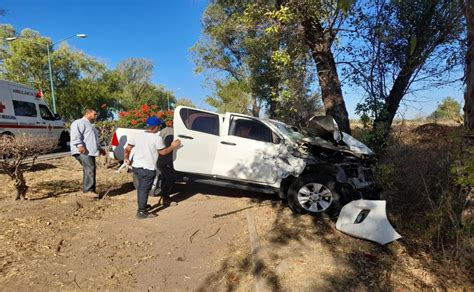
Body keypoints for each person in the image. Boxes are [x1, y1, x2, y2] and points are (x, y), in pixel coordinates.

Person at [124, 117, 181, 219]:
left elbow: (127, 148)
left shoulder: (137, 136)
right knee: (144, 189)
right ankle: (141, 212)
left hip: (136, 167)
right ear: (155, 127)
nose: (159, 128)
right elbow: (163, 152)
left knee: (141, 188)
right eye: (159, 126)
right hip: (148, 168)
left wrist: (126, 159)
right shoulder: (156, 138)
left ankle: (143, 205)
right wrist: (173, 146)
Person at [70, 108, 106, 198]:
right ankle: (88, 191)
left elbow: (93, 140)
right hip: (83, 151)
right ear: (88, 113)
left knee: (90, 169)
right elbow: (75, 135)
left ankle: (91, 191)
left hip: (90, 152)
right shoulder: (79, 122)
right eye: (94, 114)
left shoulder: (91, 125)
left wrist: (100, 148)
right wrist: (80, 145)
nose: (95, 116)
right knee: (90, 168)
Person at [157, 122, 177, 206]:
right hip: (165, 159)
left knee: (165, 178)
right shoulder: (170, 132)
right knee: (170, 177)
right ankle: (165, 199)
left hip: (161, 159)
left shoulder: (164, 131)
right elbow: (168, 146)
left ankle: (165, 197)